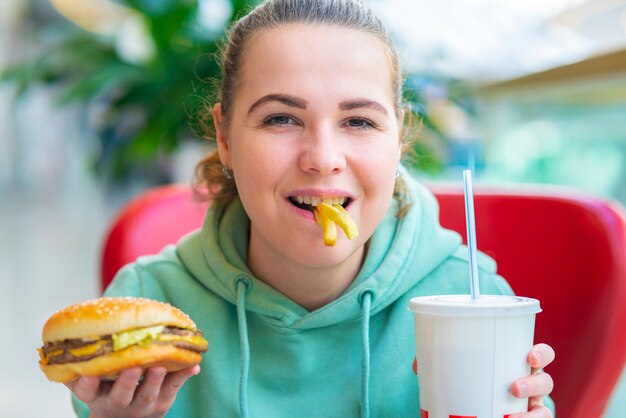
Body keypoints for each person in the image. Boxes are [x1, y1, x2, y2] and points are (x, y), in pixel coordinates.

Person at [67, 0, 555, 416]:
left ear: (400, 139)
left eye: (359, 122)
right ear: (225, 138)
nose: (322, 159)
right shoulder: (150, 305)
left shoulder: (472, 297)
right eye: (281, 118)